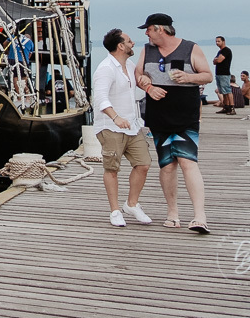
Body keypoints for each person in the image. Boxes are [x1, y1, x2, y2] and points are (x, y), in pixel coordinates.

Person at [134, 13, 213, 234]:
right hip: (159, 118)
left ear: (160, 29)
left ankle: (200, 216)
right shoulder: (147, 50)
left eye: (148, 29)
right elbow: (138, 74)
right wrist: (148, 86)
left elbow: (208, 76)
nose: (146, 33)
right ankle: (173, 213)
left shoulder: (190, 48)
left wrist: (188, 78)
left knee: (188, 162)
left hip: (185, 117)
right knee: (167, 165)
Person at [93, 29, 152, 227]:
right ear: (120, 46)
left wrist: (146, 81)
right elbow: (101, 98)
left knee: (143, 164)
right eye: (129, 41)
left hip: (132, 126)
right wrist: (116, 117)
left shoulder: (129, 65)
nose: (132, 43)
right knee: (112, 169)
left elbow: (139, 79)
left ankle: (132, 204)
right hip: (110, 126)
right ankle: (115, 210)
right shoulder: (105, 68)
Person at [213, 36, 234, 114]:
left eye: (218, 41)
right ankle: (226, 107)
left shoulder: (226, 50)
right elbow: (214, 61)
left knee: (227, 91)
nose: (217, 43)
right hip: (218, 74)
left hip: (224, 74)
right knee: (223, 92)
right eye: (216, 41)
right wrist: (216, 60)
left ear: (223, 41)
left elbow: (219, 60)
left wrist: (217, 60)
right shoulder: (220, 51)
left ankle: (232, 108)